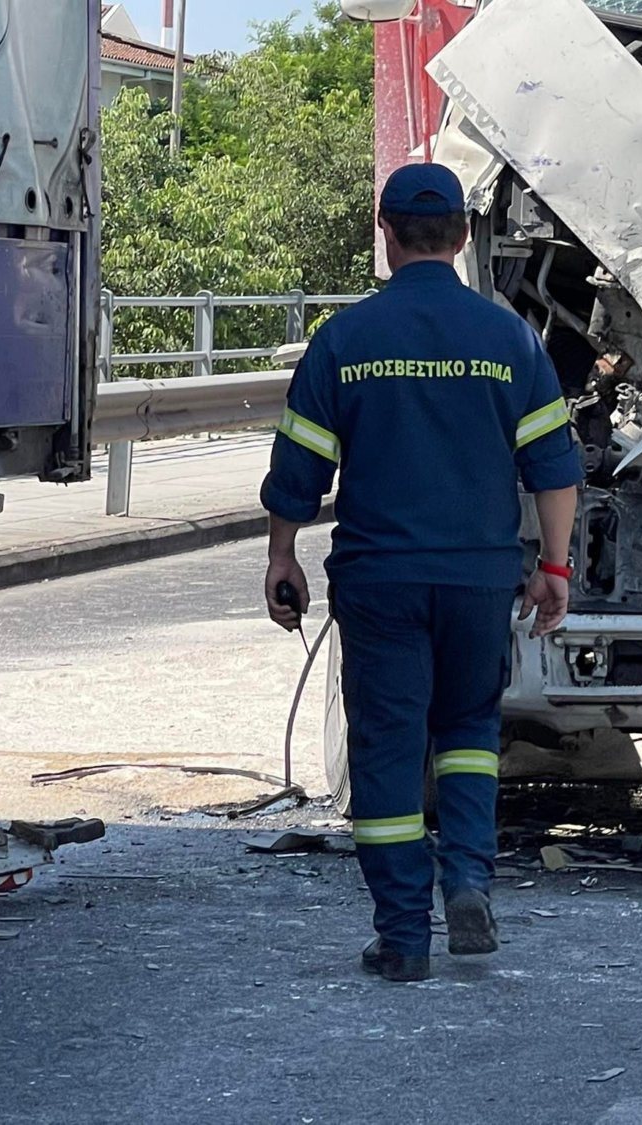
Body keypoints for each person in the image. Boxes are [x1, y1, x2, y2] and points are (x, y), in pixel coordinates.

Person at [260, 164, 583, 983]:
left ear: (387, 233)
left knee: (389, 750)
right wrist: (553, 566)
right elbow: (552, 467)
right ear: (465, 237)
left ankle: (404, 934)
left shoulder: (346, 339)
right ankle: (468, 877)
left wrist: (281, 554)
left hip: (381, 581)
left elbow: (299, 468)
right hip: (479, 579)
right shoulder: (509, 338)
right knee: (470, 731)